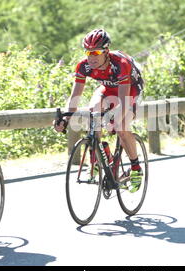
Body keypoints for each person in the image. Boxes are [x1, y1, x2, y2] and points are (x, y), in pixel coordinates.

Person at [54, 28, 144, 192]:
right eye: (88, 52)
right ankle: (98, 157)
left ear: (106, 51)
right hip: (108, 89)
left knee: (120, 125)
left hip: (130, 90)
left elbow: (123, 101)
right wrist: (65, 120)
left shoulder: (120, 64)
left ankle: (136, 168)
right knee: (93, 112)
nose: (92, 57)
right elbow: (75, 96)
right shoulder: (84, 66)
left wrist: (113, 117)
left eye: (96, 52)